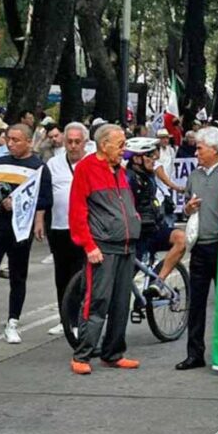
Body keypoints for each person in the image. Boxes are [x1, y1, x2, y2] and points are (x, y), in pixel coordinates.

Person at [68, 124, 141, 375]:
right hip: (103, 247)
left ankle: (113, 353)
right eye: (120, 144)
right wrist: (89, 245)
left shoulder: (118, 169)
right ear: (103, 145)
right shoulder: (87, 169)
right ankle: (83, 353)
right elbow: (78, 212)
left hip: (126, 246)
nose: (124, 149)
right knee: (96, 301)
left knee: (121, 303)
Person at [0, 124, 52, 343]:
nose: (11, 144)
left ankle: (13, 321)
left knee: (17, 276)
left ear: (29, 142)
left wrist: (35, 217)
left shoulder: (39, 167)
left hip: (20, 230)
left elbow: (44, 198)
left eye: (16, 140)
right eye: (9, 139)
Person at [176, 126, 218, 371]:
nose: (196, 152)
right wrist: (188, 209)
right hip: (199, 246)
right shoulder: (194, 175)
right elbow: (185, 205)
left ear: (215, 149)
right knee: (196, 303)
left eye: (200, 148)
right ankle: (194, 354)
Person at [124, 137, 187, 291]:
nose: (155, 159)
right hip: (137, 234)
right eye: (150, 155)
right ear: (137, 159)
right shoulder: (127, 178)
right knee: (124, 281)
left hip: (153, 229)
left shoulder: (148, 175)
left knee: (181, 238)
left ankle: (158, 281)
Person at [45, 122, 88, 335]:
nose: (72, 146)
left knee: (80, 275)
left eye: (77, 142)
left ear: (85, 143)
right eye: (69, 141)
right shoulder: (54, 164)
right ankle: (64, 319)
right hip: (59, 227)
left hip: (85, 229)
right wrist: (39, 222)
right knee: (61, 275)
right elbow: (45, 194)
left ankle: (77, 319)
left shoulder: (92, 162)